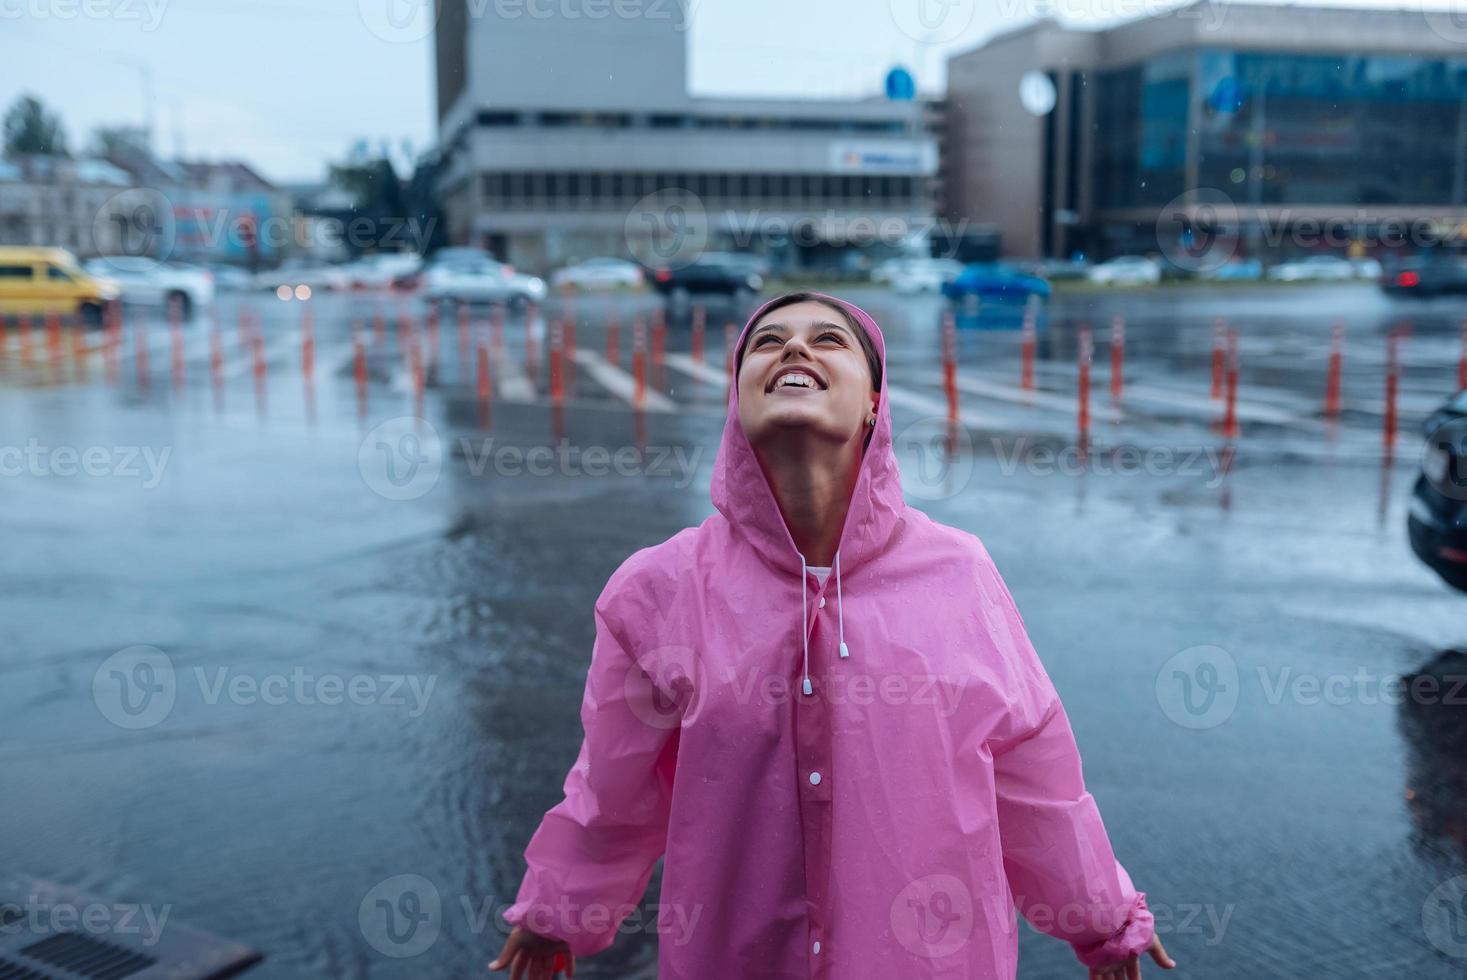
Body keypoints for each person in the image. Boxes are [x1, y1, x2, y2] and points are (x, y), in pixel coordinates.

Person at [490, 292, 1176, 979]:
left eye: (828, 339)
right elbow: (613, 789)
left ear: (874, 401)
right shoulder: (657, 589)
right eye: (766, 342)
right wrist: (556, 913)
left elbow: (1033, 776)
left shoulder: (958, 575)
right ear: (736, 401)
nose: (793, 349)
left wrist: (1102, 919)